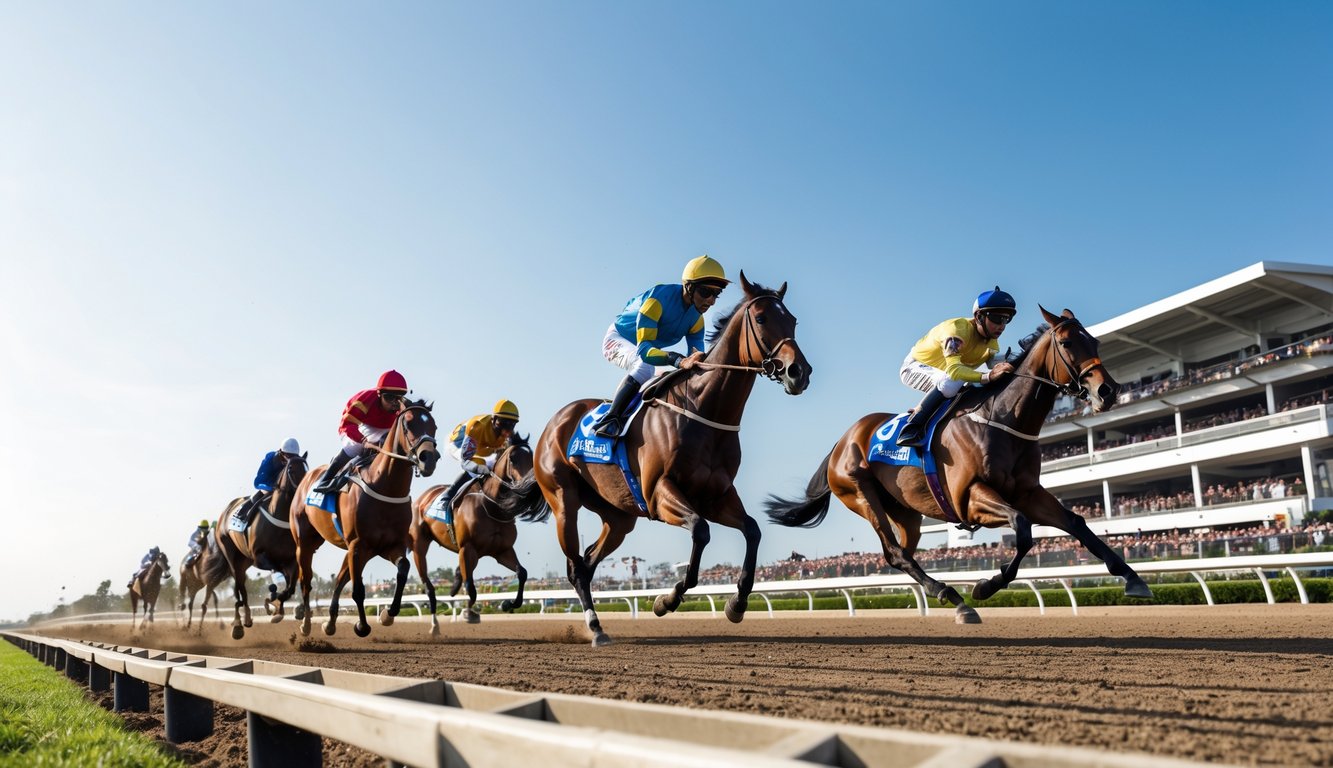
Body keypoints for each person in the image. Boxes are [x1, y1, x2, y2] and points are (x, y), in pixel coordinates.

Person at [591, 255, 729, 438]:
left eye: (716, 294)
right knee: (644, 367)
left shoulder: (696, 320)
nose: (711, 301)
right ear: (689, 286)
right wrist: (678, 360)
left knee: (666, 379)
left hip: (648, 349)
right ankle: (610, 420)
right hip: (620, 340)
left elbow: (695, 359)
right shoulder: (657, 300)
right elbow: (645, 351)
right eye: (705, 292)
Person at [896, 286, 1018, 447]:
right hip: (914, 367)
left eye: (1006, 319)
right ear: (979, 316)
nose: (1002, 326)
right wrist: (987, 376)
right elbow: (955, 371)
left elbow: (993, 362)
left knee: (966, 386)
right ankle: (912, 427)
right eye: (996, 318)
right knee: (954, 381)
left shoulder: (992, 341)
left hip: (945, 374)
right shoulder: (956, 331)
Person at [311, 370, 409, 494]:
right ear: (379, 394)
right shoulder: (365, 399)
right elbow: (348, 424)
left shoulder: (403, 406)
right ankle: (325, 480)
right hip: (358, 425)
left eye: (398, 398)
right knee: (354, 448)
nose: (394, 403)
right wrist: (363, 440)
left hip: (386, 429)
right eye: (389, 397)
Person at [436, 399, 521, 515]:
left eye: (511, 424)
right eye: (503, 423)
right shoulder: (477, 426)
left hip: (483, 447)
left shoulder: (508, 433)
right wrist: (482, 469)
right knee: (478, 463)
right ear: (494, 419)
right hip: (458, 443)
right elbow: (465, 462)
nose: (506, 429)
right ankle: (447, 497)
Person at [238, 438, 302, 526]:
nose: (290, 460)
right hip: (269, 485)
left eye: (293, 457)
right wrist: (274, 488)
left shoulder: (296, 462)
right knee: (258, 495)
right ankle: (243, 513)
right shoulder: (271, 458)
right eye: (288, 456)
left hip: (285, 489)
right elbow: (258, 482)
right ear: (281, 452)